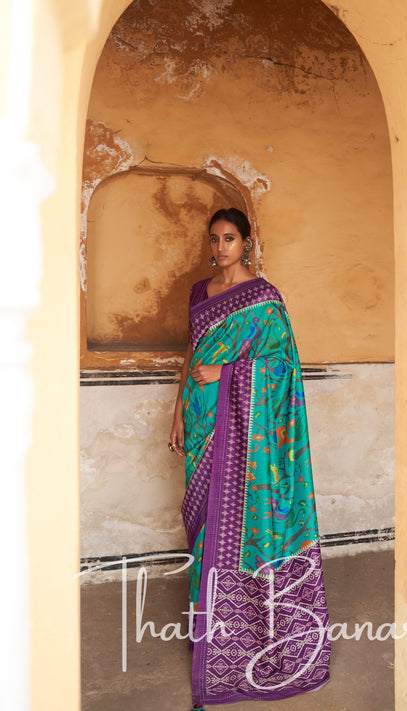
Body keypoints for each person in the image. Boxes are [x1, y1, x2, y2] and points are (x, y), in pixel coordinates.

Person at [169, 208, 330, 709]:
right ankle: (211, 631)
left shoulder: (264, 298)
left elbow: (283, 367)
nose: (220, 248)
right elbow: (189, 357)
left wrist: (227, 375)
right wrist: (177, 412)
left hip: (245, 431)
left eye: (230, 239)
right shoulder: (200, 293)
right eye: (214, 239)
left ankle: (253, 636)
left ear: (247, 242)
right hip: (201, 422)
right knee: (203, 528)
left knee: (242, 528)